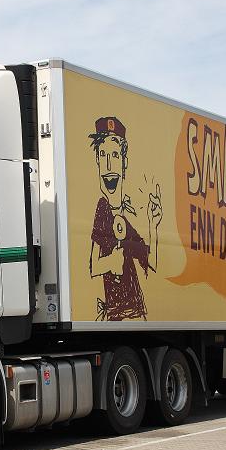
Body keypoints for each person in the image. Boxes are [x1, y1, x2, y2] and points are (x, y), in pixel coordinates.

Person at [87, 117, 162, 320]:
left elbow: (152, 262)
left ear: (124, 162)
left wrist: (153, 225)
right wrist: (112, 261)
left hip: (135, 309)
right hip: (117, 312)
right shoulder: (102, 208)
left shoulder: (124, 218)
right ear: (97, 161)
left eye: (114, 155)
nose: (108, 165)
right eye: (103, 155)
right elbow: (94, 266)